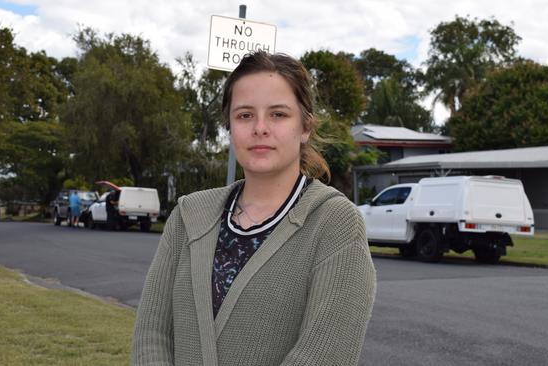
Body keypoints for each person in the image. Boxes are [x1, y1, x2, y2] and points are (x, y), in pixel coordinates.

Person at [132, 51, 376, 366]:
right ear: (230, 127)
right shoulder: (188, 215)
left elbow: (324, 355)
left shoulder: (335, 223)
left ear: (305, 128)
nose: (260, 128)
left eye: (278, 114)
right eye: (245, 115)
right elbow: (151, 334)